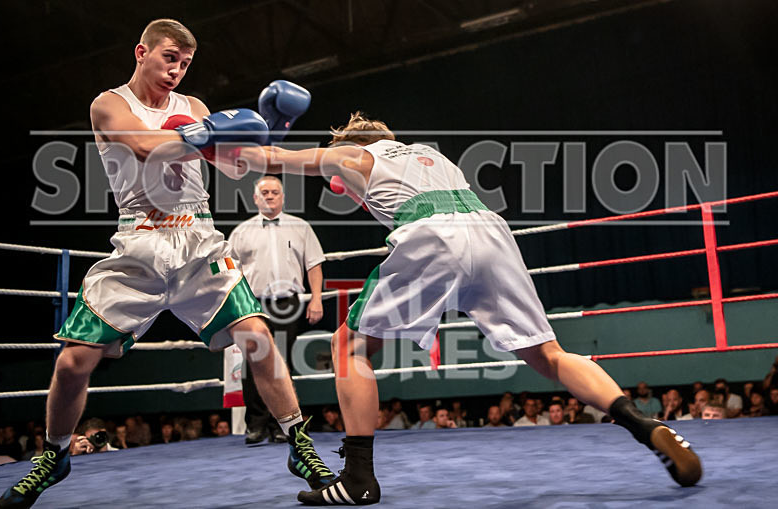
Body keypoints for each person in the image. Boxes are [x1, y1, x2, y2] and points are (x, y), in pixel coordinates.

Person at [232, 112, 703, 504]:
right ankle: (641, 422)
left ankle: (357, 479)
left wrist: (210, 142)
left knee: (349, 347)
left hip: (433, 235)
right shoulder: (430, 154)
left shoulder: (352, 153)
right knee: (550, 356)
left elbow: (268, 159)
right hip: (490, 232)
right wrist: (345, 184)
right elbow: (375, 190)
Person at [0, 19, 333, 509]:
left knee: (257, 338)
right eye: (169, 58)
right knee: (73, 362)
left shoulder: (193, 107)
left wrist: (267, 131)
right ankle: (54, 455)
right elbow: (142, 146)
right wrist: (206, 132)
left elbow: (232, 165)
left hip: (199, 241)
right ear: (142, 52)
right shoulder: (109, 103)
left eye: (185, 63)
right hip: (139, 244)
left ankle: (300, 445)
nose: (176, 70)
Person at [229, 175, 326, 444]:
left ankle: (282, 425)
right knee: (252, 362)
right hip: (251, 303)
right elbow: (229, 272)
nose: (270, 196)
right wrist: (232, 306)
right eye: (265, 192)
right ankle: (256, 425)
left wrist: (316, 298)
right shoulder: (241, 232)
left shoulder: (300, 227)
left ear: (282, 196)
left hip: (288, 302)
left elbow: (314, 265)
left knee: (281, 362)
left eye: (274, 192)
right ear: (255, 198)